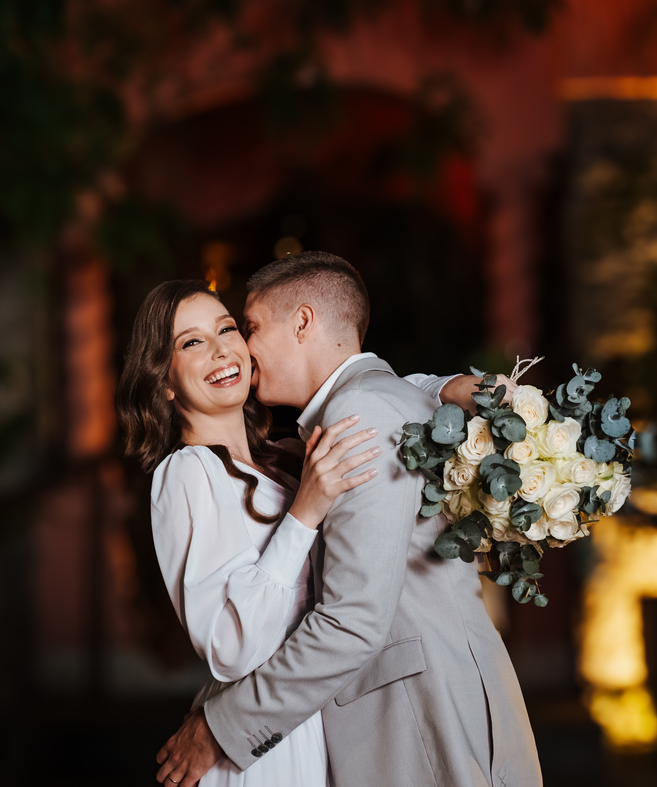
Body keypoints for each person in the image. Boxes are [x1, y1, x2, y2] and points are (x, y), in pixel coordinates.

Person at [153, 252, 542, 787]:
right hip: (365, 721)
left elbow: (352, 619)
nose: (239, 348)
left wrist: (222, 727)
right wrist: (441, 385)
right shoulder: (334, 425)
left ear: (303, 323)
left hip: (422, 719)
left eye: (243, 327)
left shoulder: (353, 416)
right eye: (193, 341)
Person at [117, 280, 459, 787]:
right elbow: (230, 648)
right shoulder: (187, 472)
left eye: (227, 329)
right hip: (263, 753)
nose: (220, 350)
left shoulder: (286, 459)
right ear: (164, 381)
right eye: (191, 342)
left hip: (319, 723)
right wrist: (305, 513)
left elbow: (361, 394)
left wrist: (443, 387)